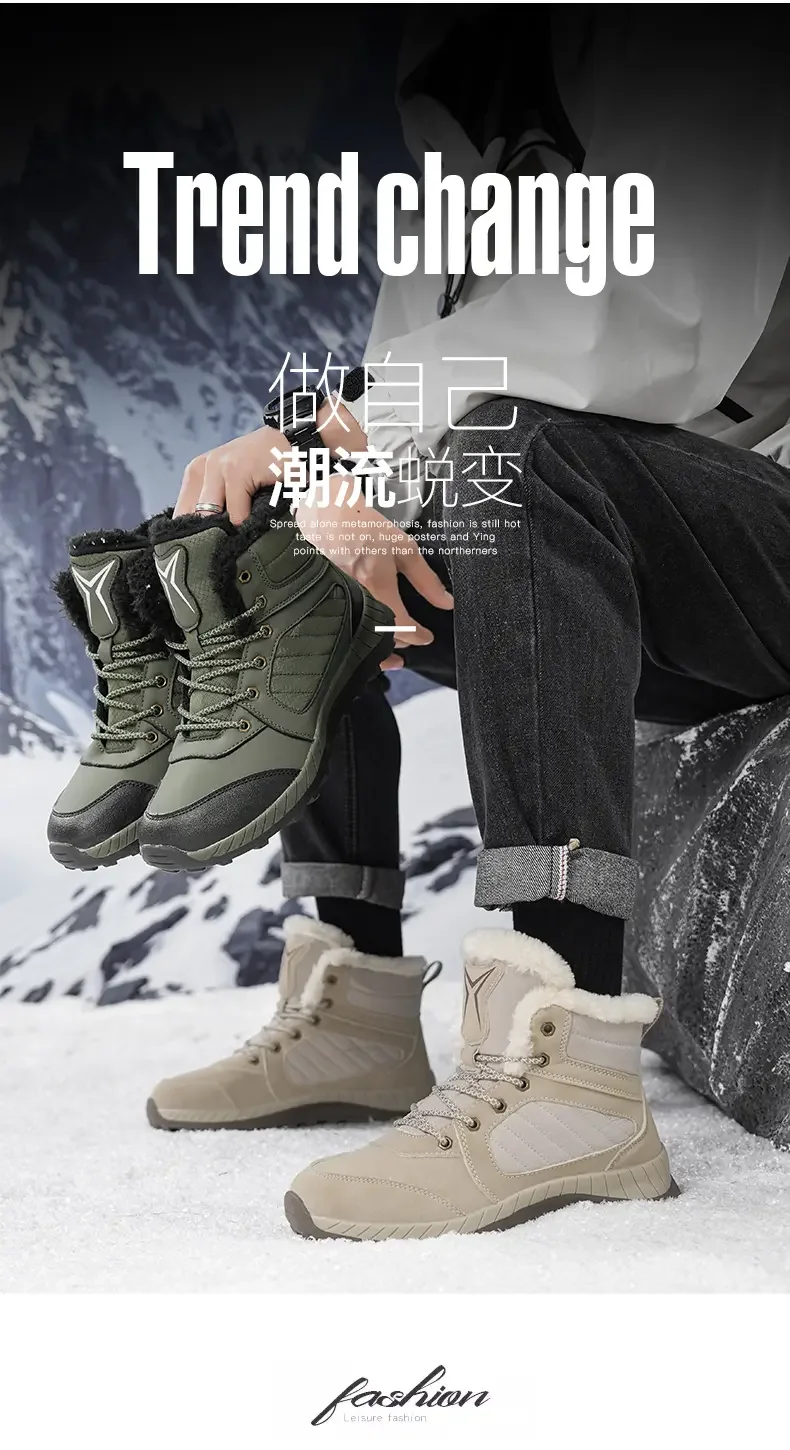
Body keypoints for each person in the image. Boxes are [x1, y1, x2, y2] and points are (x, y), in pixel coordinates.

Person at [147, 11, 790, 1238]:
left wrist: (340, 434)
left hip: (755, 528)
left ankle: (574, 1066)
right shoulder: (461, 111)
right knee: (281, 530)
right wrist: (322, 477)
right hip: (627, 551)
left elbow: (654, 320)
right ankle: (354, 1004)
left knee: (517, 452)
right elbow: (411, 399)